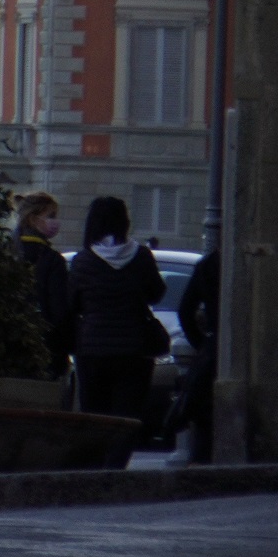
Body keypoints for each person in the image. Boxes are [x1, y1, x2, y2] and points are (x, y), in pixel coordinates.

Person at [67, 195, 170, 463]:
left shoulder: (83, 261)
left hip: (92, 349)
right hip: (134, 350)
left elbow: (72, 303)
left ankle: (96, 468)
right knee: (127, 417)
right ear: (124, 222)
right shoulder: (142, 257)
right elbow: (156, 293)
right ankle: (116, 467)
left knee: (96, 415)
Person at [169, 247, 222, 461]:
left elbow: (185, 310)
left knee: (204, 418)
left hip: (211, 347)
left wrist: (201, 343)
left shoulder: (209, 263)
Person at [14, 191, 74, 375]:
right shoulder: (52, 260)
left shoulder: (8, 250)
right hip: (46, 346)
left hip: (11, 343)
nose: (55, 222)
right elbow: (59, 310)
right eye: (51, 216)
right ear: (33, 219)